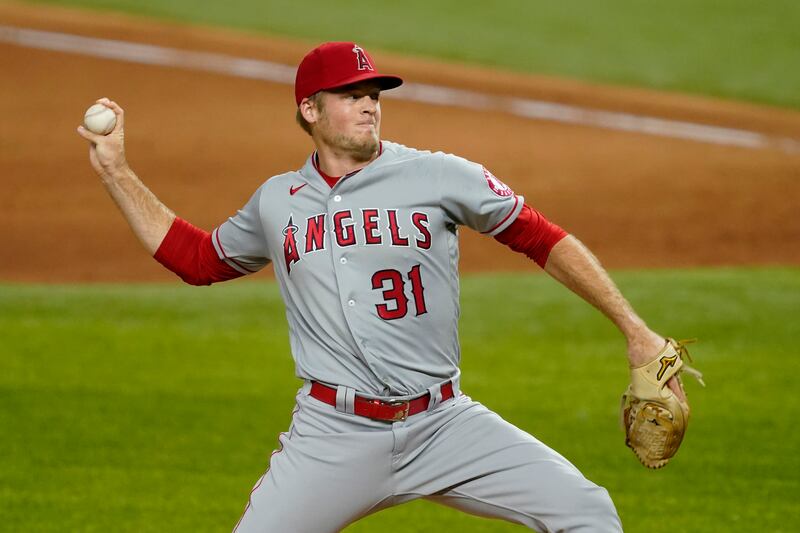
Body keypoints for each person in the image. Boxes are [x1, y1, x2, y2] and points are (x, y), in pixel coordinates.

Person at [77, 42, 688, 533]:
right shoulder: (276, 203)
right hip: (333, 436)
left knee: (588, 514)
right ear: (310, 111)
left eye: (374, 94)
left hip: (444, 423)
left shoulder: (439, 175)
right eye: (351, 95)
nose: (369, 104)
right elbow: (198, 259)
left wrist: (635, 331)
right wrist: (117, 172)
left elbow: (541, 238)